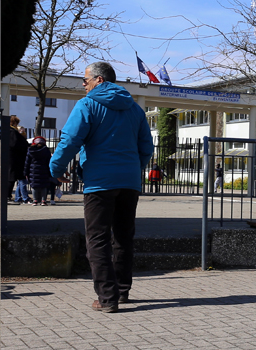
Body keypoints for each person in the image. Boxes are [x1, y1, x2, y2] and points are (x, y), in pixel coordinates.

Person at [48, 62, 155, 313]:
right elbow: (146, 147)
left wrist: (55, 168)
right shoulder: (135, 109)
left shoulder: (87, 104)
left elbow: (71, 139)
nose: (82, 85)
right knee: (123, 237)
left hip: (99, 183)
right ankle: (122, 290)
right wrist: (131, 168)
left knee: (97, 239)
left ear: (98, 80)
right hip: (129, 183)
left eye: (85, 80)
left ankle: (107, 299)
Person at [25, 136, 56, 205]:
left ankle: (35, 200)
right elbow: (49, 161)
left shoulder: (31, 151)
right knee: (44, 186)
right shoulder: (46, 151)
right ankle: (43, 201)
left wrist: (25, 172)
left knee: (34, 186)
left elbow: (27, 163)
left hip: (33, 171)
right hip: (44, 170)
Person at [6, 115, 30, 205]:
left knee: (13, 177)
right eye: (16, 123)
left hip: (12, 158)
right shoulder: (12, 132)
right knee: (11, 177)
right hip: (15, 159)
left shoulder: (9, 131)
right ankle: (8, 196)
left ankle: (12, 196)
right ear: (13, 123)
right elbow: (17, 144)